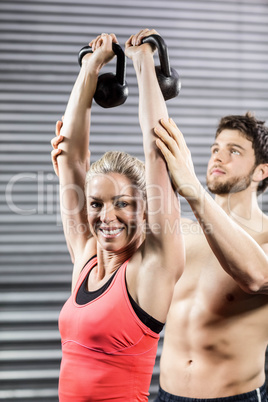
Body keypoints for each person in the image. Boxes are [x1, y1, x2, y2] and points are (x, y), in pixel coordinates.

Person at [51, 29, 184, 401]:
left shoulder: (151, 269)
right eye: (96, 203)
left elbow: (158, 152)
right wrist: (90, 68)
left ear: (145, 207)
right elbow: (71, 157)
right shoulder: (86, 259)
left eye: (123, 203)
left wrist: (143, 62)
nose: (107, 216)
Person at [153, 113, 268, 402]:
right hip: (166, 395)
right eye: (215, 149)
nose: (218, 157)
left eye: (234, 151)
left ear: (261, 171)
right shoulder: (180, 232)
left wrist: (191, 188)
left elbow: (256, 278)